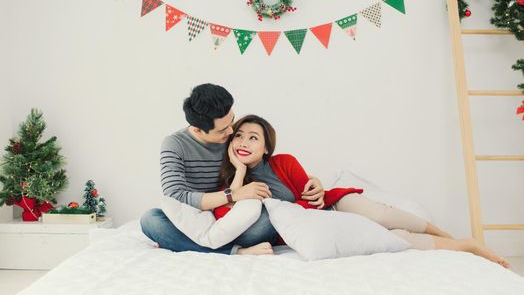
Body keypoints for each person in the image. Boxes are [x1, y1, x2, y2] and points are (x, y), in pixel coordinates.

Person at [214, 114, 511, 268]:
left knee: (382, 214)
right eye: (238, 135)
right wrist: (239, 173)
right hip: (324, 227)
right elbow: (227, 222)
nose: (244, 141)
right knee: (396, 241)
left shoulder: (284, 162)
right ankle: (467, 245)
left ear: (267, 147)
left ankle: (448, 236)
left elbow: (313, 198)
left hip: (333, 207)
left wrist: (316, 187)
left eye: (254, 138)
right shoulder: (227, 185)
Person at [140, 83, 325, 255]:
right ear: (197, 130)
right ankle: (237, 252)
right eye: (222, 130)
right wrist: (233, 195)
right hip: (196, 219)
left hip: (233, 218)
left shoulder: (229, 134)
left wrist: (310, 179)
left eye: (232, 122)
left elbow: (261, 164)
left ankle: (182, 243)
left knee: (266, 220)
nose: (230, 132)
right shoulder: (175, 144)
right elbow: (175, 196)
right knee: (151, 220)